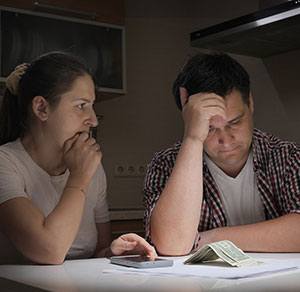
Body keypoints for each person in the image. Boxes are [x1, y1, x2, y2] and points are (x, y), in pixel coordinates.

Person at [0, 51, 156, 265]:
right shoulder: (6, 164)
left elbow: (94, 253)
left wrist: (112, 251)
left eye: (93, 106)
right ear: (41, 108)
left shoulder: (93, 168)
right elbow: (50, 251)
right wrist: (79, 177)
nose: (93, 120)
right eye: (81, 106)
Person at [143, 52, 300, 256]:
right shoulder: (165, 164)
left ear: (250, 103)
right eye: (209, 128)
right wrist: (192, 138)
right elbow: (172, 244)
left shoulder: (288, 157)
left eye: (234, 122)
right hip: (203, 287)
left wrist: (212, 238)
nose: (225, 140)